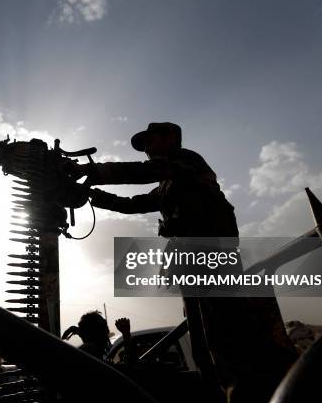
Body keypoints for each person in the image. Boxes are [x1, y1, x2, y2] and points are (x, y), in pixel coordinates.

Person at [71, 122, 298, 403]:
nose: (147, 151)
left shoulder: (186, 162)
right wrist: (92, 196)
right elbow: (134, 203)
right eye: (143, 147)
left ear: (170, 138)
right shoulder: (168, 184)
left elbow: (145, 172)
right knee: (204, 347)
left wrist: (90, 171)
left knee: (229, 341)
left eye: (150, 142)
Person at [62, 311, 134, 363]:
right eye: (105, 328)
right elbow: (129, 365)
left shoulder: (84, 353)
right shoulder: (92, 353)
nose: (108, 332)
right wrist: (126, 334)